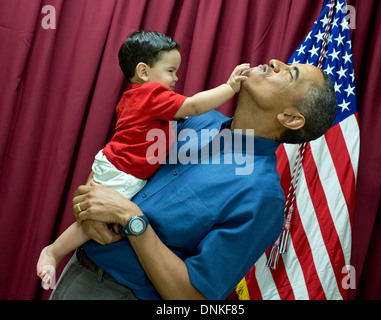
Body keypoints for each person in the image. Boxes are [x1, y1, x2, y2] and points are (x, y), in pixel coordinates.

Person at [50, 59, 337, 300]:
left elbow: (192, 299)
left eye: (290, 73)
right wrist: (90, 205)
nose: (276, 62)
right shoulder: (193, 118)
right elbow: (117, 159)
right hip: (75, 269)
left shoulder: (261, 196)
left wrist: (132, 219)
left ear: (290, 118)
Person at [36, 30, 250, 289]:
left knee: (97, 218)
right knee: (93, 222)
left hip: (114, 163)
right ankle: (53, 252)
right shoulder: (151, 95)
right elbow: (193, 105)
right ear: (144, 72)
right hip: (123, 171)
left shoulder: (136, 97)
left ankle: (55, 251)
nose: (176, 78)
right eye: (170, 71)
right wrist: (229, 87)